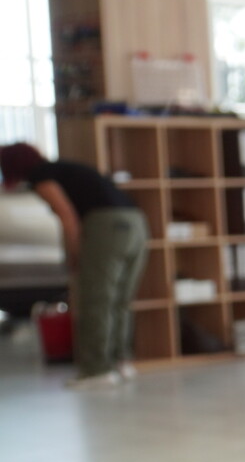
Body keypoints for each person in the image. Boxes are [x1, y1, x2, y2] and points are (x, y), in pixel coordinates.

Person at [1, 142, 149, 388]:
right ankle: (121, 362)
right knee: (120, 300)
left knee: (95, 300)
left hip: (106, 227)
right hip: (136, 224)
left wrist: (74, 254)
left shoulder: (42, 177)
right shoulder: (64, 168)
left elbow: (67, 216)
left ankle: (97, 370)